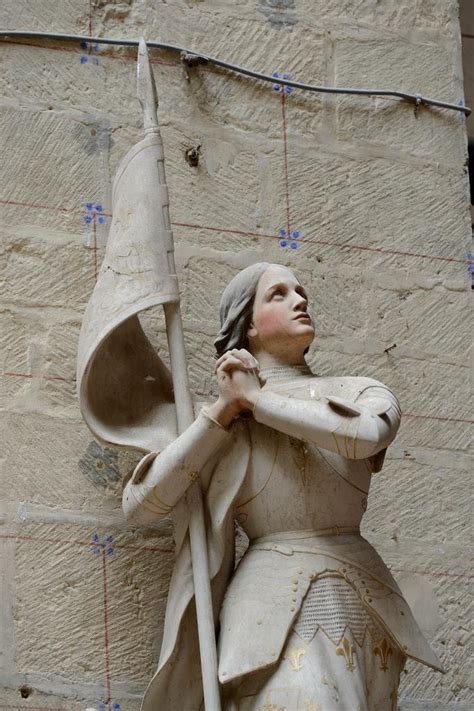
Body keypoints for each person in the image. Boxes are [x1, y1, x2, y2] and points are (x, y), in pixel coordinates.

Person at [123, 262, 441, 711]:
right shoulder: (222, 418)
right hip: (268, 602)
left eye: (300, 290)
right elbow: (142, 504)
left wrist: (257, 400)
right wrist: (220, 414)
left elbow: (365, 435)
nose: (300, 300)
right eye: (278, 294)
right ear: (248, 325)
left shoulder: (359, 389)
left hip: (363, 595)